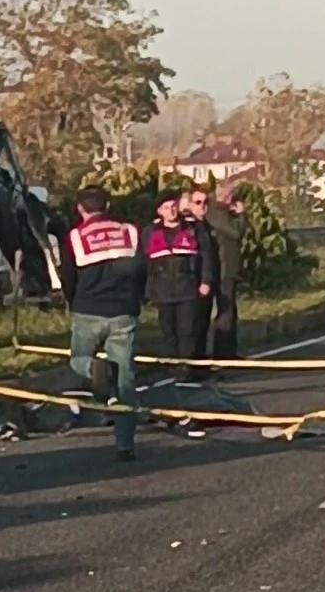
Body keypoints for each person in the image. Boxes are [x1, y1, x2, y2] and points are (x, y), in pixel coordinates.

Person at [58, 185, 145, 462]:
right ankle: (125, 444)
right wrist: (136, 300)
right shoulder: (130, 232)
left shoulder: (75, 237)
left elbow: (67, 276)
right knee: (125, 381)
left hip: (88, 310)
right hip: (123, 312)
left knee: (78, 358)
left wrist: (72, 301)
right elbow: (141, 271)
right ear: (108, 205)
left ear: (80, 209)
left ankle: (94, 369)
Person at [141, 189, 214, 376]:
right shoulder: (150, 232)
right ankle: (172, 367)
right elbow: (144, 262)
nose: (171, 211)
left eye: (173, 206)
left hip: (187, 287)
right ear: (159, 211)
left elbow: (206, 256)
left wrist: (206, 281)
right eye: (166, 208)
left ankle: (186, 368)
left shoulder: (193, 229)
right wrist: (145, 289)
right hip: (162, 289)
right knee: (168, 331)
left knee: (187, 330)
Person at [205, 183, 247, 359]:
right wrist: (241, 215)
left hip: (227, 266)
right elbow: (235, 232)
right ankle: (222, 352)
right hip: (222, 267)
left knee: (230, 310)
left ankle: (229, 350)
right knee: (225, 309)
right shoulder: (215, 212)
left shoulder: (222, 212)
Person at [183, 186, 220, 366]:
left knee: (203, 324)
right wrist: (202, 280)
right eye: (198, 202)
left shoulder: (205, 226)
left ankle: (201, 362)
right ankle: (192, 363)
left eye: (206, 202)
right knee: (193, 325)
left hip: (205, 281)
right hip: (192, 282)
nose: (202, 206)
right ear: (189, 204)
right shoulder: (188, 227)